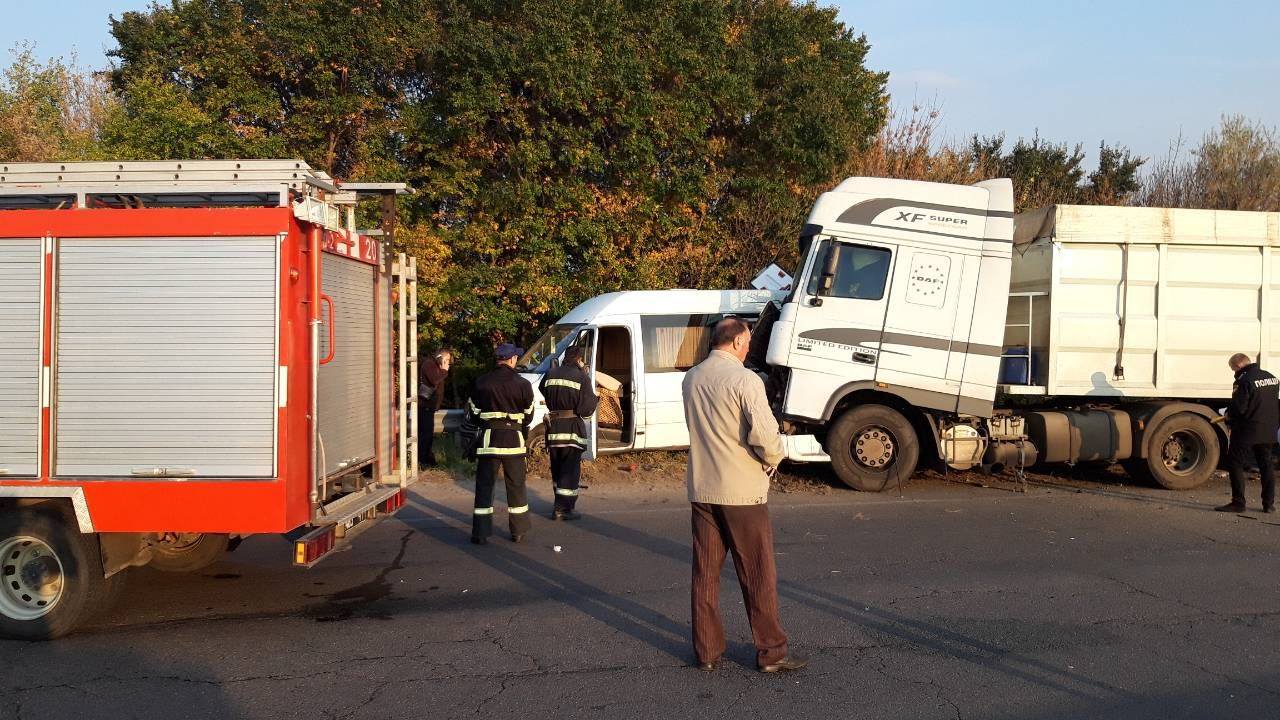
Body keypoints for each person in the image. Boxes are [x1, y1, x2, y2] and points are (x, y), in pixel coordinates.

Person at [681, 317, 806, 674]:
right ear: (736, 342)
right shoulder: (745, 380)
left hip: (703, 487)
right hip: (742, 492)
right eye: (748, 341)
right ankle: (772, 652)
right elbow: (765, 436)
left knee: (705, 573)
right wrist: (774, 458)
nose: (750, 347)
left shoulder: (692, 378)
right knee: (757, 575)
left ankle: (706, 652)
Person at [465, 343, 536, 544]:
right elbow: (529, 416)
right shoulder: (523, 384)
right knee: (516, 487)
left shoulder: (481, 382)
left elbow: (473, 414)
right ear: (512, 359)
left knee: (484, 487)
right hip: (514, 441)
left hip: (489, 441)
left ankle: (480, 533)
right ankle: (518, 531)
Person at [539, 346, 599, 521]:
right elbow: (586, 409)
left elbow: (543, 389)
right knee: (570, 470)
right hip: (571, 430)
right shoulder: (581, 377)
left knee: (557, 468)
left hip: (553, 429)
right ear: (579, 359)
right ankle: (563, 509)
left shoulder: (551, 373)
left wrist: (555, 400)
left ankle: (558, 503)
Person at [1216, 352, 1280, 513]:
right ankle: (1269, 504)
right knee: (1266, 465)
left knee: (1235, 463)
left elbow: (1239, 408)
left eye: (1233, 369)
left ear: (1238, 365)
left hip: (1248, 430)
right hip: (1268, 429)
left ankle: (1238, 503)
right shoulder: (1272, 378)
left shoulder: (1243, 381)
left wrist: (1228, 415)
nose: (1233, 372)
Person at [418, 349, 452, 468]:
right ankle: (423, 461)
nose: (448, 363)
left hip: (430, 407)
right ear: (441, 358)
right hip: (424, 406)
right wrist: (444, 370)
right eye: (447, 360)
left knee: (428, 436)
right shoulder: (429, 364)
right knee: (425, 436)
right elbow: (435, 380)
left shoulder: (436, 366)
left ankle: (427, 459)